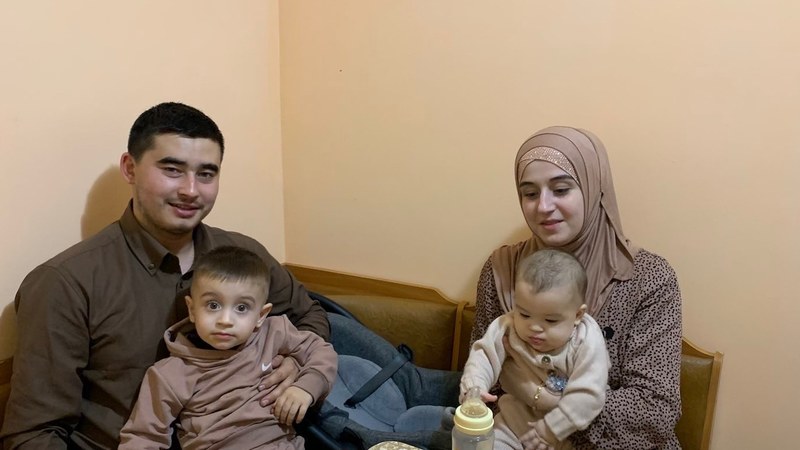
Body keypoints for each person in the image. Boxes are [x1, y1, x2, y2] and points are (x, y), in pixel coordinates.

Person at [1, 102, 330, 449]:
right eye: (172, 169)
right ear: (130, 168)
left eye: (206, 174)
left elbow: (310, 316)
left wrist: (295, 365)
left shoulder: (242, 255)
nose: (191, 190)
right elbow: (33, 435)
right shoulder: (65, 283)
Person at [470, 126, 683, 449]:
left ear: (595, 188)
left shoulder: (647, 279)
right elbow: (486, 382)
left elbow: (654, 410)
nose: (543, 206)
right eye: (530, 194)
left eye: (561, 189)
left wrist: (545, 400)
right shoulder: (503, 271)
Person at [119, 246, 337, 449]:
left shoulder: (275, 332)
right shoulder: (169, 374)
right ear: (192, 310)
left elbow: (321, 351)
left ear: (261, 315)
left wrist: (306, 388)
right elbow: (143, 437)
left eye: (241, 308)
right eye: (213, 305)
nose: (225, 320)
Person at [461, 249, 609, 450]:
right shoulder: (507, 326)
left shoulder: (587, 339)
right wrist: (474, 388)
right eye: (524, 314)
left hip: (562, 435)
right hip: (512, 425)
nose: (535, 328)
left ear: (577, 315)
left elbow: (589, 392)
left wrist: (552, 428)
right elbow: (484, 356)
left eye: (550, 320)